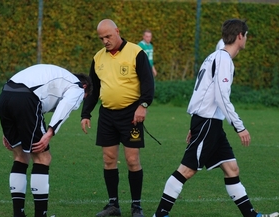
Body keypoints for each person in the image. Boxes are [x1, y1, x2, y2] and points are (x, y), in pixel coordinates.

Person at [153, 19, 279, 217]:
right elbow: (221, 97)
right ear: (239, 36)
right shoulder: (223, 59)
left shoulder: (215, 57)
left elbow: (203, 92)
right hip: (208, 123)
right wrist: (239, 126)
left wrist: (194, 123)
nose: (246, 39)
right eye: (245, 35)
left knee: (231, 168)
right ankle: (159, 215)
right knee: (186, 170)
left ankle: (252, 216)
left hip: (209, 123)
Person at [81, 19, 154, 217]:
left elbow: (148, 83)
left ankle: (136, 206)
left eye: (108, 36)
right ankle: (113, 205)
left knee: (132, 160)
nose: (105, 41)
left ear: (117, 31)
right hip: (107, 115)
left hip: (131, 115)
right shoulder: (98, 58)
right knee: (109, 159)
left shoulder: (135, 52)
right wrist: (86, 113)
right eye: (101, 38)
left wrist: (143, 106)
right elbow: (93, 89)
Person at [0, 64, 92, 217]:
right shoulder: (77, 86)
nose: (79, 101)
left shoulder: (56, 78)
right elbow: (65, 106)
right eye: (83, 98)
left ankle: (18, 214)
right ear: (85, 86)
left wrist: (8, 132)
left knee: (20, 156)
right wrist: (50, 132)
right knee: (43, 158)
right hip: (26, 98)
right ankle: (41, 215)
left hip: (5, 95)